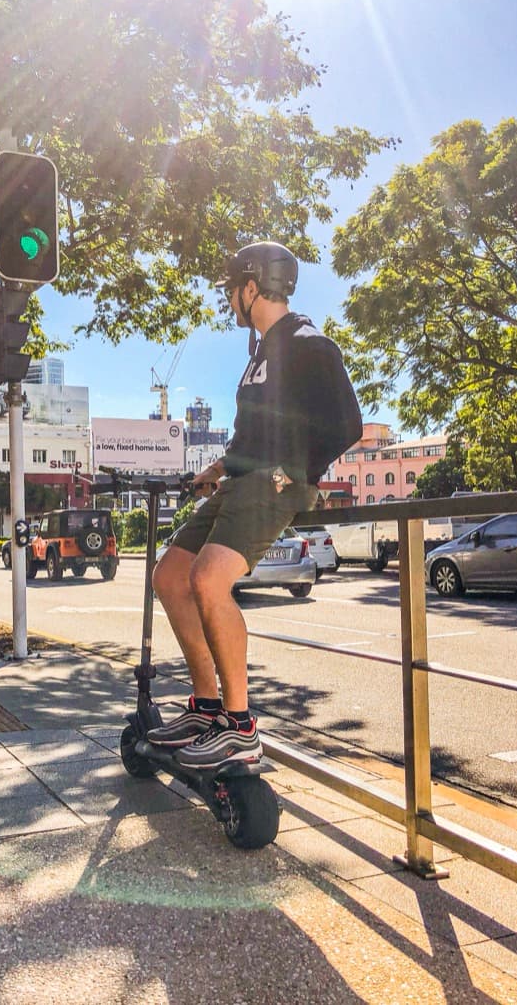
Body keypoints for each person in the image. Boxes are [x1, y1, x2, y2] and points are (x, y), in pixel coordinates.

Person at [149, 241, 362, 769]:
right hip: (241, 480)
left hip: (277, 483)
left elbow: (348, 424)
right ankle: (205, 706)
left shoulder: (308, 343)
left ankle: (240, 727)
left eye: (231, 291)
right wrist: (218, 468)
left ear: (251, 288)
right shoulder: (261, 353)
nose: (229, 302)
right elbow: (252, 433)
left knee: (207, 579)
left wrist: (300, 470)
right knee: (170, 576)